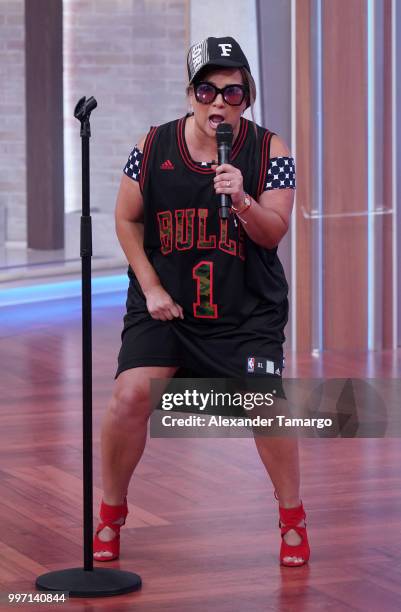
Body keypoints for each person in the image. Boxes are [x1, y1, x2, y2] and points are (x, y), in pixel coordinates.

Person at [93, 36, 310, 567]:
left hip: (243, 309)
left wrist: (241, 199)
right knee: (128, 399)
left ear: (247, 96)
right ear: (190, 94)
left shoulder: (271, 152)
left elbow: (273, 232)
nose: (219, 103)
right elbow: (126, 219)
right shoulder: (152, 147)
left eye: (232, 92)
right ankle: (110, 514)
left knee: (268, 405)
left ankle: (292, 517)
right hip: (167, 303)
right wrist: (149, 287)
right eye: (207, 90)